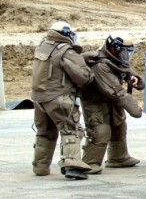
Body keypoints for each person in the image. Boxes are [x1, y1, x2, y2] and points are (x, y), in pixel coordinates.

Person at [31, 21, 94, 180]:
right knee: (71, 130)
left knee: (45, 133)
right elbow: (82, 76)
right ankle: (72, 166)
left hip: (40, 99)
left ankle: (40, 167)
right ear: (66, 34)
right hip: (59, 98)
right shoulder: (66, 51)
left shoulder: (43, 46)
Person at [80, 31, 144, 174]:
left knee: (119, 125)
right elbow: (117, 91)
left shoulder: (116, 59)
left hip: (110, 98)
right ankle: (90, 162)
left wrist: (135, 79)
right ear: (113, 48)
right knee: (100, 130)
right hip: (94, 100)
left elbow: (128, 70)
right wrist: (135, 110)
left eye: (128, 52)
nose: (125, 56)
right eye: (123, 52)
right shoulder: (100, 64)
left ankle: (118, 157)